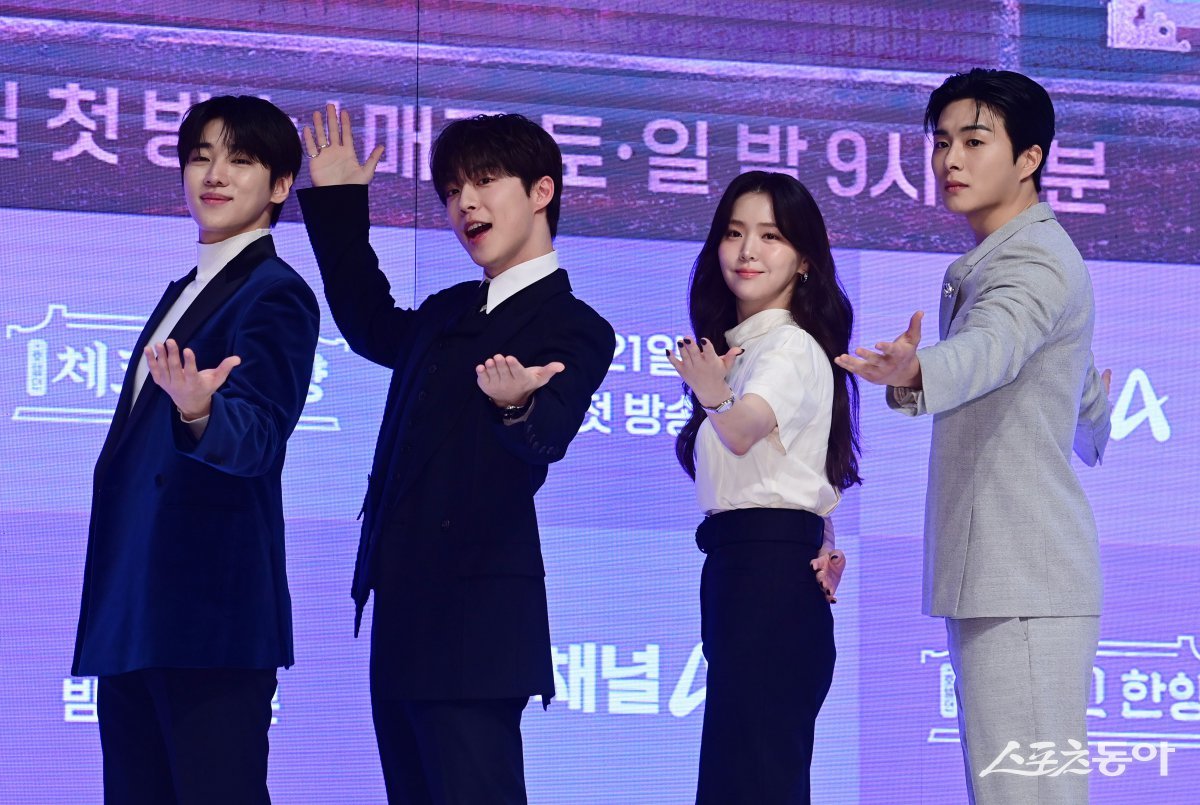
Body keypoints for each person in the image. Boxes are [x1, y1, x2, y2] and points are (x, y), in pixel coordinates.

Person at [298, 106, 614, 803]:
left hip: (477, 630)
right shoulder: (447, 311)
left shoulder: (576, 324)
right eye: (450, 191)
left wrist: (517, 404)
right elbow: (369, 323)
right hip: (404, 615)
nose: (464, 203)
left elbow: (547, 435)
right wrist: (339, 201)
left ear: (541, 191)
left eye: (484, 180)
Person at [835, 68, 1111, 804]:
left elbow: (992, 345)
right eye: (942, 141)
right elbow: (1066, 388)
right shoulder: (1022, 256)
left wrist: (920, 367)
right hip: (1015, 578)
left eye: (975, 141)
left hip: (1023, 577)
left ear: (1030, 158)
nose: (949, 160)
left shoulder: (1029, 259)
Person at [71, 95, 319, 804]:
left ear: (278, 186)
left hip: (209, 618)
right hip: (135, 614)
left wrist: (203, 411)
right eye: (201, 155)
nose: (214, 173)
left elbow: (260, 435)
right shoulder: (187, 288)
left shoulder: (276, 294)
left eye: (241, 159)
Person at [668, 170, 859, 804]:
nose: (747, 251)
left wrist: (714, 395)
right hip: (747, 573)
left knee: (751, 780)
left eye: (770, 236)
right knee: (742, 778)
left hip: (767, 579)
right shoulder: (746, 348)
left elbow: (746, 430)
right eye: (733, 233)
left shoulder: (788, 346)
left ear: (804, 259)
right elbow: (800, 471)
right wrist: (823, 541)